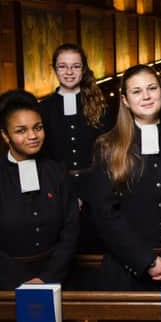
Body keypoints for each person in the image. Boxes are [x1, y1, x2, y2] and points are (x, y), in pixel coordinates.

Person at [85, 64, 161, 290]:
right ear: (125, 100)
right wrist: (145, 260)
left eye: (152, 88)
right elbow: (105, 215)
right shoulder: (106, 147)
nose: (146, 96)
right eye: (137, 91)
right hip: (127, 272)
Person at [0, 90, 79, 289]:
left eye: (38, 128)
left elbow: (70, 232)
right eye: (21, 131)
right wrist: (21, 282)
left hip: (55, 278)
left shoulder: (58, 173)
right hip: (1, 284)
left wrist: (47, 278)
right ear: (5, 135)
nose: (32, 136)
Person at [39, 43, 113, 252]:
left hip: (97, 192)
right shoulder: (43, 109)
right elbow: (43, 159)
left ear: (84, 69)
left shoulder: (100, 105)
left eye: (75, 66)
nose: (69, 72)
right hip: (58, 193)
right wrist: (66, 195)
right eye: (63, 66)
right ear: (54, 69)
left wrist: (89, 194)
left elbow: (108, 154)